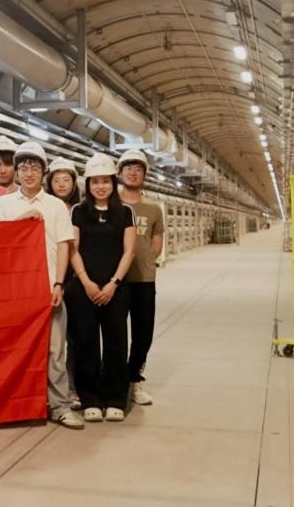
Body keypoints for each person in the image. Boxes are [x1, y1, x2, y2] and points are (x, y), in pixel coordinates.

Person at [0, 142, 83, 430]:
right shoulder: (3, 204)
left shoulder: (56, 206)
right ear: (16, 172)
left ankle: (59, 406)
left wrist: (58, 283)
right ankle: (19, 406)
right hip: (15, 291)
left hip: (48, 288)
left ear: (43, 172)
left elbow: (63, 246)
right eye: (23, 168)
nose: (29, 173)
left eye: (34, 167)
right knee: (16, 350)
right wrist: (22, 221)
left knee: (55, 351)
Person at [66, 153, 136, 423]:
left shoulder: (125, 212)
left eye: (105, 181)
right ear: (88, 185)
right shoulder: (78, 211)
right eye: (95, 182)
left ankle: (115, 398)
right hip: (84, 287)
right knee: (86, 342)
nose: (100, 187)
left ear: (113, 183)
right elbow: (73, 248)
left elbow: (129, 251)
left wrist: (113, 283)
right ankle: (90, 398)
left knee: (116, 341)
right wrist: (85, 281)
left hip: (115, 288)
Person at [117, 149, 164, 406]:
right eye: (128, 168)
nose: (133, 173)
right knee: (115, 334)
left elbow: (157, 243)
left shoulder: (153, 209)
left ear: (144, 175)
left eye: (138, 169)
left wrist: (144, 261)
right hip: (115, 280)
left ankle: (134, 379)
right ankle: (115, 382)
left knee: (143, 333)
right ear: (120, 172)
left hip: (144, 279)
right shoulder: (111, 204)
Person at [46, 156, 82, 408]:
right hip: (52, 278)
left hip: (74, 278)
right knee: (54, 341)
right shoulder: (46, 207)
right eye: (56, 180)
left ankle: (72, 387)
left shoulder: (80, 209)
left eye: (66, 179)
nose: (61, 184)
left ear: (74, 183)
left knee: (75, 337)